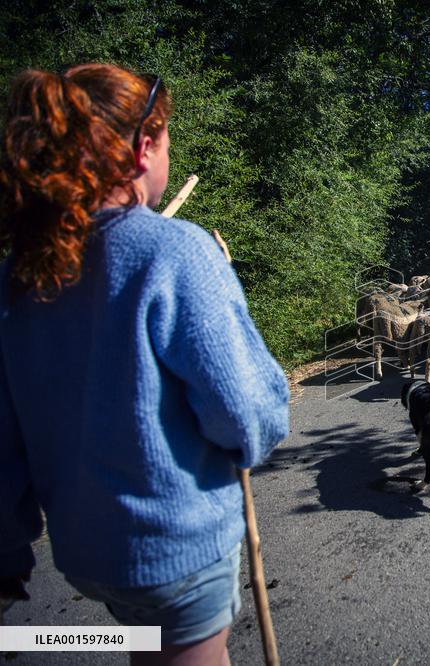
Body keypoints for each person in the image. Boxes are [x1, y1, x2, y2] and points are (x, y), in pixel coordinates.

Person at [0, 64, 289, 665]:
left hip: (85, 558)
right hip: (173, 555)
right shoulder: (176, 252)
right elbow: (248, 416)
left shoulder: (18, 276)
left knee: (134, 646)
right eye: (165, 142)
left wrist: (6, 548)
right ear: (141, 150)